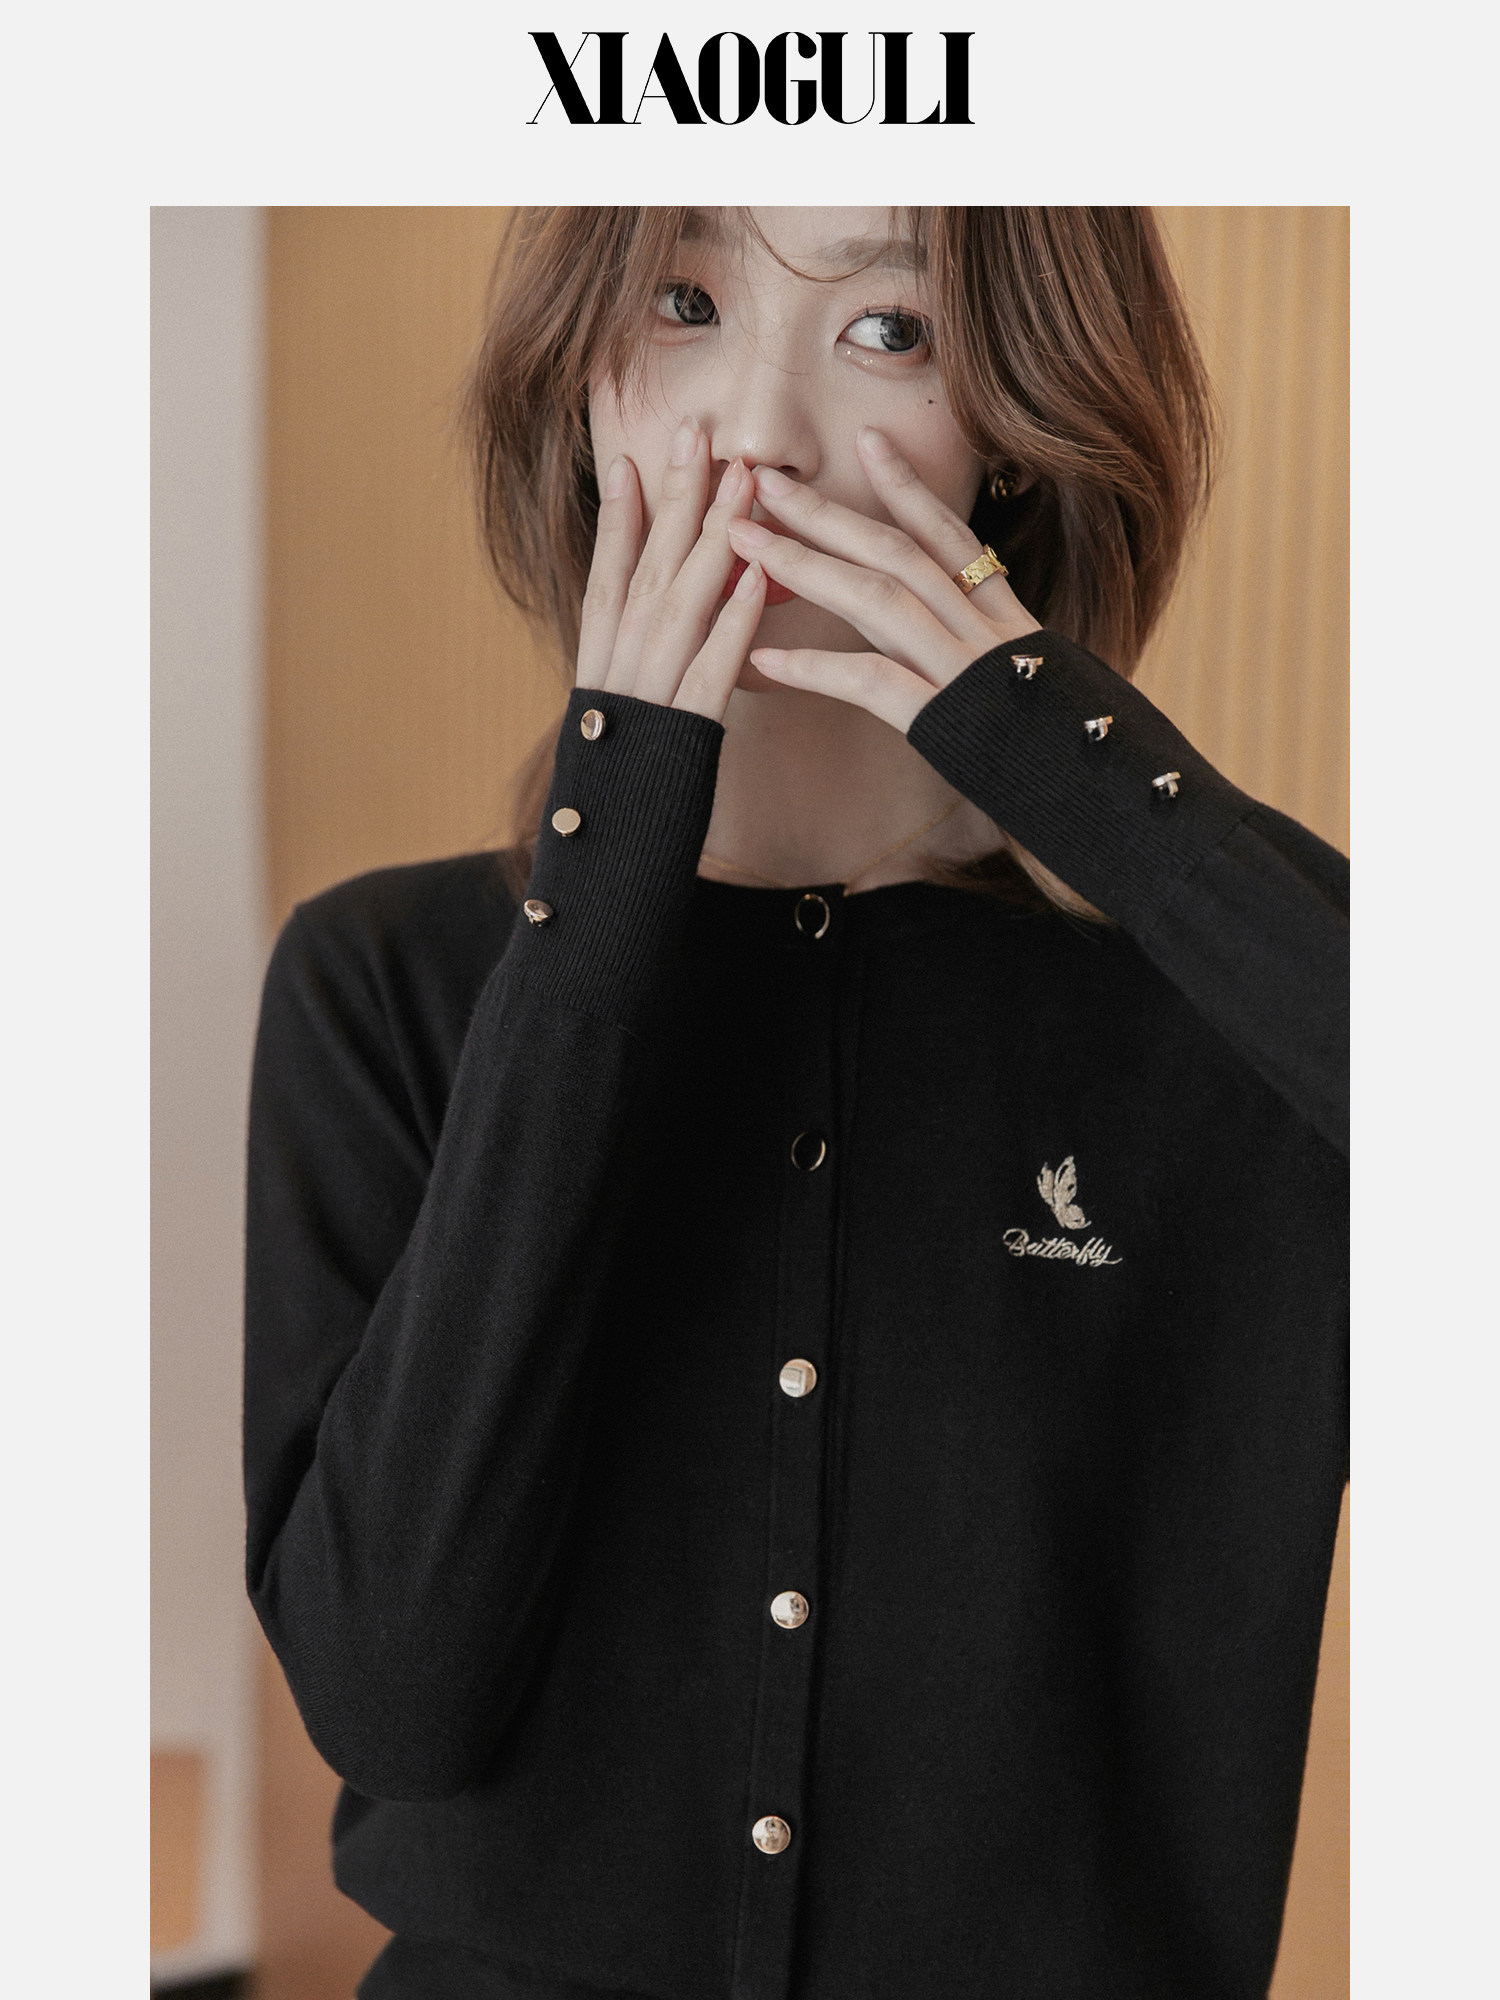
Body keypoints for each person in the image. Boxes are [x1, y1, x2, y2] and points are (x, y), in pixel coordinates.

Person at [244, 207, 1348, 2000]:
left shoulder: (1244, 1019)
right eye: (685, 303)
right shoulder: (383, 982)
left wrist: (1081, 768)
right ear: (579, 387)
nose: (756, 432)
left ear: (1016, 436)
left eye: (890, 330)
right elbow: (392, 1701)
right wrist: (604, 877)